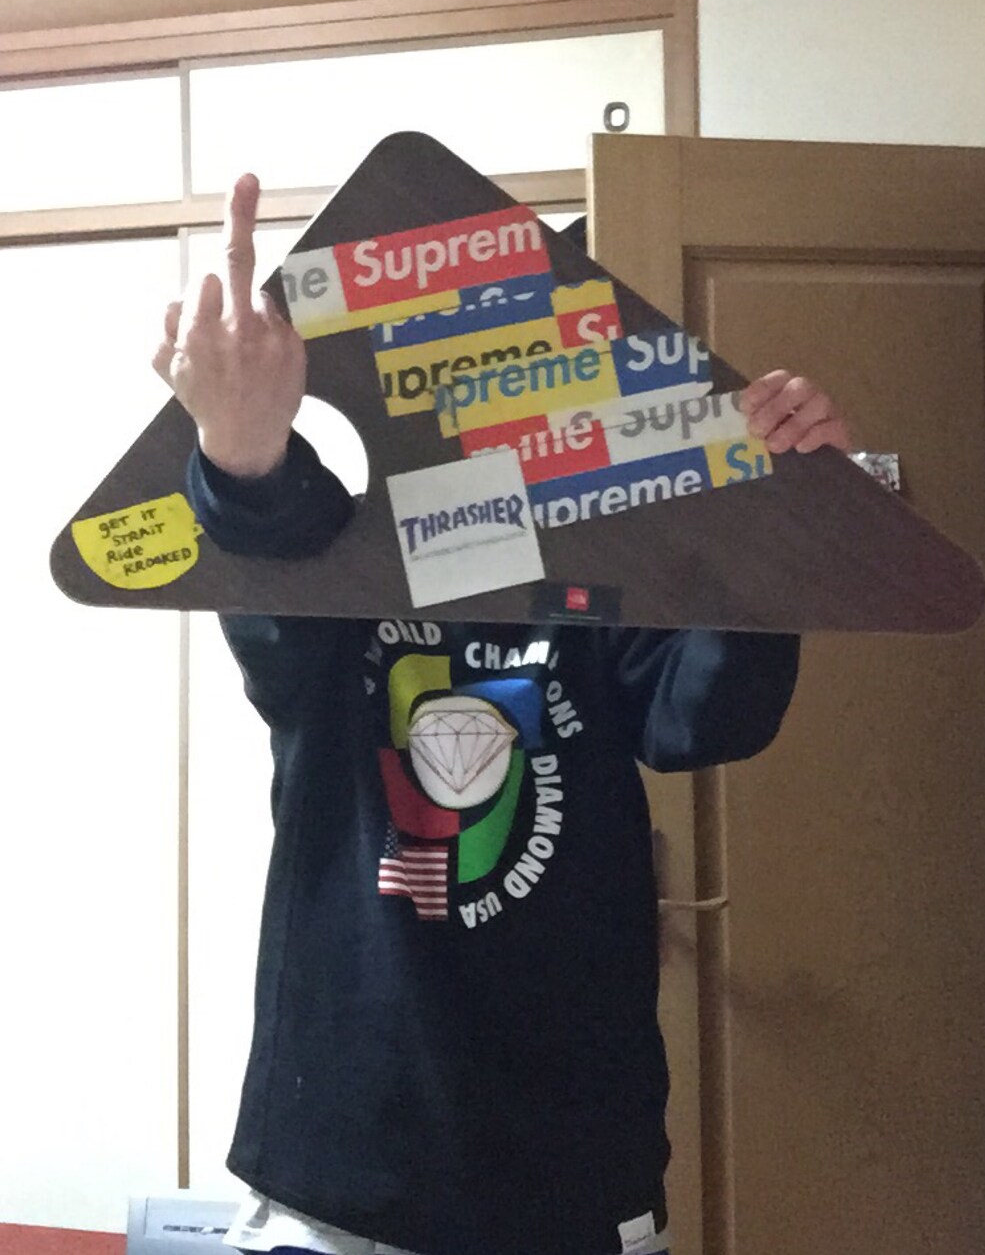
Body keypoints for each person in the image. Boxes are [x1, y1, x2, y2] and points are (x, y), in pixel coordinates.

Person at [153, 175, 851, 1255]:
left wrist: (777, 515)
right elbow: (273, 554)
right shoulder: (334, 563)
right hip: (339, 1166)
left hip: (570, 1169)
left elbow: (704, 717)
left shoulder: (610, 568)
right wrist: (241, 451)